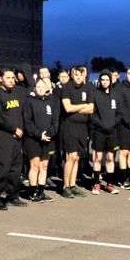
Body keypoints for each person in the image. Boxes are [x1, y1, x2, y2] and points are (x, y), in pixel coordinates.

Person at [0, 67, 26, 210]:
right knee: (1, 169)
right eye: (8, 78)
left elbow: (19, 115)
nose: (11, 80)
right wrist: (13, 129)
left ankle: (12, 196)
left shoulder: (15, 94)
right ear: (0, 79)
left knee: (15, 168)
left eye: (12, 78)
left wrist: (20, 130)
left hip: (17, 137)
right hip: (3, 136)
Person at [58, 65, 93, 198]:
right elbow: (67, 108)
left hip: (82, 127)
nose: (78, 77)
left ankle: (73, 184)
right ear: (72, 75)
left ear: (84, 76)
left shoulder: (88, 88)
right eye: (76, 75)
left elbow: (91, 109)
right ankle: (65, 186)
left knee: (78, 157)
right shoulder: (66, 88)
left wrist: (77, 107)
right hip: (69, 126)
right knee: (71, 156)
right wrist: (83, 105)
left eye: (81, 75)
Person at [23, 77, 59, 203]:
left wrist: (49, 134)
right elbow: (27, 122)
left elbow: (55, 121)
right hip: (33, 140)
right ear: (34, 89)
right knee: (35, 166)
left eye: (42, 87)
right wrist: (39, 135)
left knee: (44, 167)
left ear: (47, 88)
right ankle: (32, 192)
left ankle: (41, 192)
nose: (40, 89)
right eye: (38, 87)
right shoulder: (29, 102)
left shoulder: (52, 102)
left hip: (49, 140)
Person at [89, 69, 120, 194]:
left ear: (110, 81)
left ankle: (109, 184)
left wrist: (113, 123)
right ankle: (96, 184)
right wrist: (100, 124)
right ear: (100, 81)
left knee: (110, 158)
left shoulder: (116, 95)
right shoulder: (95, 94)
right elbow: (92, 114)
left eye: (107, 80)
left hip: (112, 131)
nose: (105, 82)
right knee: (98, 158)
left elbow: (120, 113)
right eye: (103, 80)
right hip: (99, 131)